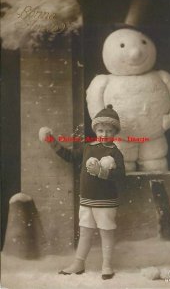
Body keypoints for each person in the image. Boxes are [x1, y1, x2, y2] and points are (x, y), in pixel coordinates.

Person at [39, 104, 126, 280]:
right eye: (100, 130)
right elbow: (69, 156)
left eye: (109, 131)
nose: (104, 134)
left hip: (106, 201)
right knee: (85, 231)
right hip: (86, 200)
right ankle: (79, 263)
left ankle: (107, 265)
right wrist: (51, 141)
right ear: (95, 130)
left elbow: (120, 176)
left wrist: (102, 172)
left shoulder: (116, 153)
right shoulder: (87, 148)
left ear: (115, 132)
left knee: (106, 232)